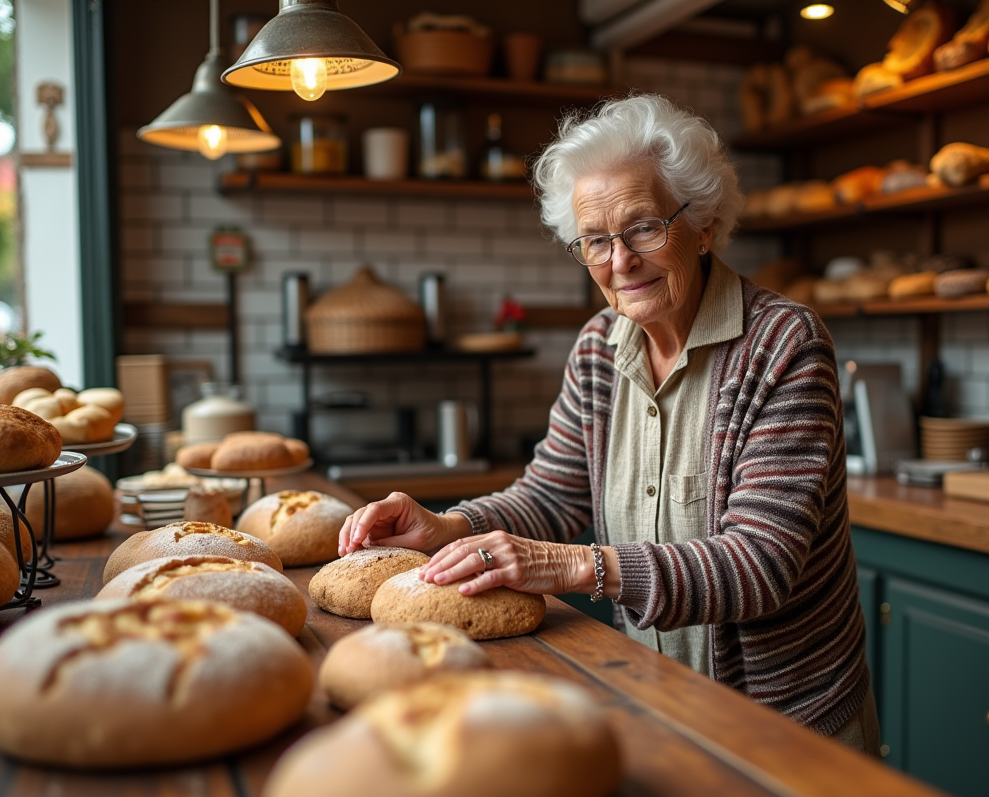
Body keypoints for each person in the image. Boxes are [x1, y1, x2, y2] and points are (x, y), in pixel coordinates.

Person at [339, 94, 878, 752]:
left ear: (702, 224)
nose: (620, 261)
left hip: (784, 733)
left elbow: (758, 566)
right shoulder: (600, 346)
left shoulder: (784, 345)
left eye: (645, 227)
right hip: (653, 702)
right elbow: (552, 496)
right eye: (595, 240)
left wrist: (570, 566)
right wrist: (449, 525)